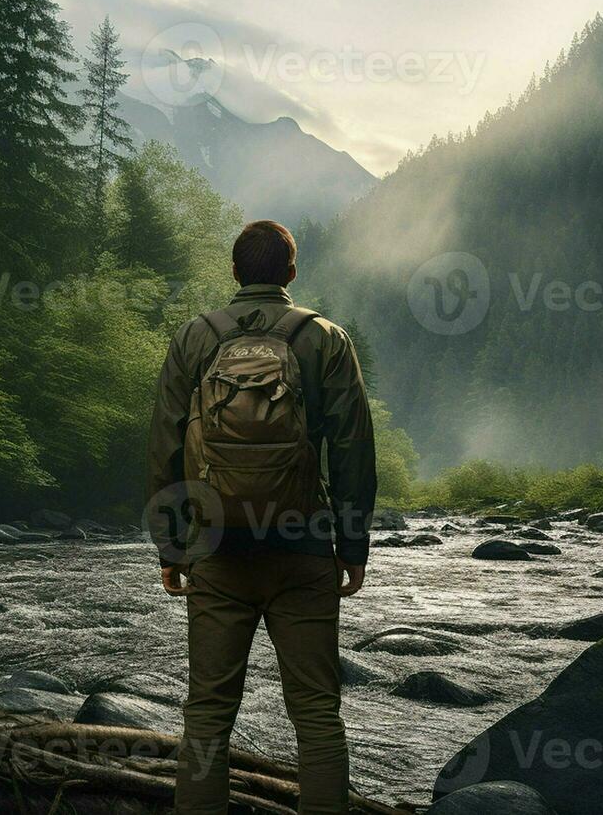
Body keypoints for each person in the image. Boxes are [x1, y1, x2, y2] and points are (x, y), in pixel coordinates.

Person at [147, 219, 377, 815]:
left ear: (234, 273)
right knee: (318, 714)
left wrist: (173, 550)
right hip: (303, 549)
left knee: (207, 713)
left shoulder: (195, 339)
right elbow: (352, 450)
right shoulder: (326, 338)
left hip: (217, 546)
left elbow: (166, 448)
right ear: (291, 275)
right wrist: (352, 549)